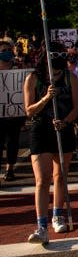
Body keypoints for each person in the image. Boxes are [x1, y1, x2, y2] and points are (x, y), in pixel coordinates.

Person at [23, 42, 78, 243]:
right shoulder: (33, 78)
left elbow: (77, 107)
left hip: (62, 130)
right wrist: (47, 97)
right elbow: (29, 110)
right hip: (40, 130)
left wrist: (65, 122)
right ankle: (41, 225)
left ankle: (57, 214)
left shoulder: (69, 77)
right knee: (42, 179)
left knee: (60, 176)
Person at [1, 38, 27, 182]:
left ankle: (10, 168)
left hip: (14, 114)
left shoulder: (18, 68)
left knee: (12, 142)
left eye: (8, 50)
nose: (6, 53)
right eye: (3, 51)